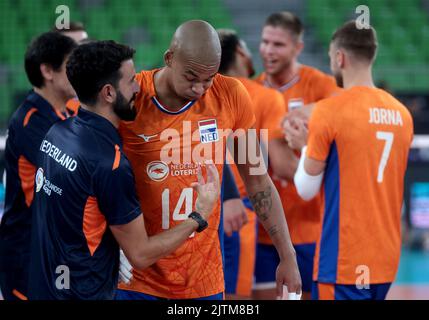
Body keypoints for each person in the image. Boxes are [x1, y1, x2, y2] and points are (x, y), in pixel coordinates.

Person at [117, 20, 301, 300]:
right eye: (191, 77)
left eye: (209, 78)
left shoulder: (231, 94)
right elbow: (93, 174)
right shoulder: (133, 97)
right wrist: (110, 242)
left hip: (203, 280)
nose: (199, 88)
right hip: (138, 278)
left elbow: (258, 179)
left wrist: (287, 254)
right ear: (169, 58)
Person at [28, 40, 220, 300]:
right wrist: (199, 215)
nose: (139, 88)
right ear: (108, 93)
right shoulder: (110, 163)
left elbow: (73, 212)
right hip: (83, 293)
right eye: (130, 81)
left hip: (43, 285)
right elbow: (140, 255)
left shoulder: (56, 134)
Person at [284, 21, 413, 300]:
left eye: (331, 58)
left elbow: (305, 189)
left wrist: (305, 147)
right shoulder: (402, 114)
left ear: (340, 57)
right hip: (385, 261)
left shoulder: (329, 111)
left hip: (344, 261)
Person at [253, 11, 339, 299]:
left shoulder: (320, 85)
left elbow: (351, 105)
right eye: (265, 42)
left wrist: (307, 112)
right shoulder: (251, 89)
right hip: (263, 230)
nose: (267, 50)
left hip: (309, 227)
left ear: (297, 48)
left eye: (278, 44)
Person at [0, 32, 77, 300]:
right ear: (47, 71)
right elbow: (72, 174)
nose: (77, 71)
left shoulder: (67, 113)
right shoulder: (30, 121)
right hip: (27, 253)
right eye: (70, 64)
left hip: (54, 250)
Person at [217, 29, 287, 299]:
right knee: (235, 297)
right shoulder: (264, 96)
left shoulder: (200, 92)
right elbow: (281, 166)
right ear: (241, 53)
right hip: (241, 209)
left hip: (197, 209)